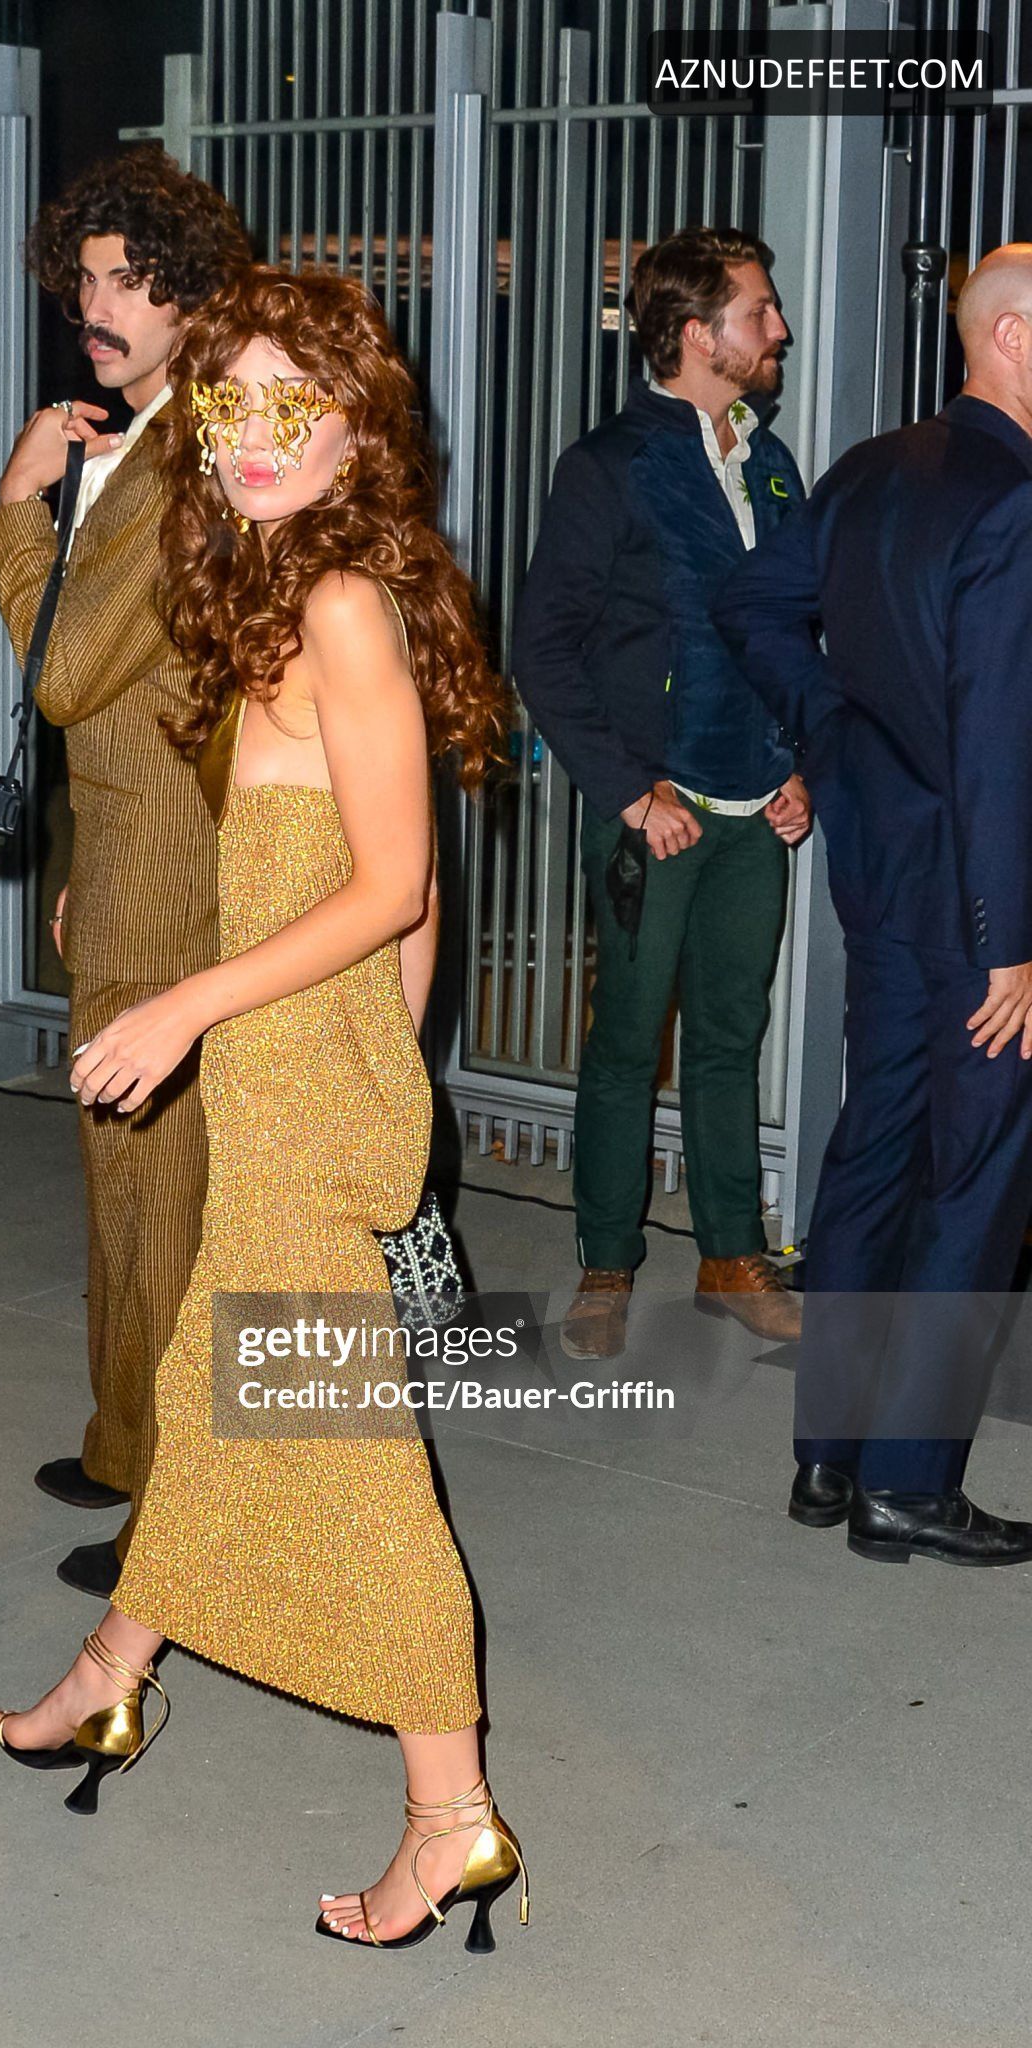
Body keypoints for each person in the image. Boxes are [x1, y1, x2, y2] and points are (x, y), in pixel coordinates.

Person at [0, 265, 525, 1953]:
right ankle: (110, 1672)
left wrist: (194, 1009)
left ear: (359, 425)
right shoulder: (286, 585)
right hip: (302, 1076)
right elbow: (410, 907)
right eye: (233, 402)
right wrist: (377, 1072)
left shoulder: (344, 602)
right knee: (215, 1405)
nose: (258, 434)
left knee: (350, 1457)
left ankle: (450, 1815)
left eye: (299, 403)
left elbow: (394, 882)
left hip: (294, 1085)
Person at [714, 243, 1032, 1567]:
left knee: (874, 1147)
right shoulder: (1015, 499)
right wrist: (1013, 942)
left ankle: (827, 1454)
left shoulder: (872, 469)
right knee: (976, 1178)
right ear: (1008, 337)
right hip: (980, 904)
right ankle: (906, 1483)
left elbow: (752, 603)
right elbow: (1000, 740)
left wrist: (833, 732)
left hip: (884, 874)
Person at [0, 146, 250, 1600]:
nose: (95, 306)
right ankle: (127, 1438)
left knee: (165, 1203)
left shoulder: (188, 452)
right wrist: (96, 854)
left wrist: (18, 510)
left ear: (190, 294)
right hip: (139, 850)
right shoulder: (148, 437)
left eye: (127, 281)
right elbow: (145, 693)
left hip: (181, 874)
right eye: (83, 279)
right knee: (122, 1182)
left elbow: (71, 671)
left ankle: (183, 1519)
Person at [514, 227, 810, 1361]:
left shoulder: (772, 465)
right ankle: (606, 1263)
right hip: (660, 805)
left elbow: (791, 632)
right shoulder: (611, 465)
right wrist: (632, 792)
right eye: (758, 313)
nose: (779, 329)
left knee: (732, 1034)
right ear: (696, 335)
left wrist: (799, 762)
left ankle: (732, 1257)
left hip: (754, 806)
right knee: (629, 1041)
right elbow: (544, 649)